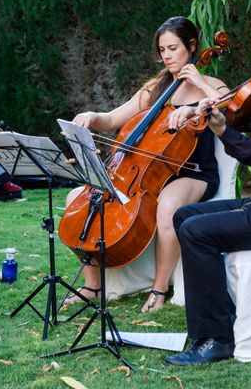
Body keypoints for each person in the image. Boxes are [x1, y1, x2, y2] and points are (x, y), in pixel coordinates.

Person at [165, 1, 251, 366]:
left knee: (198, 231)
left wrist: (223, 130)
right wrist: (222, 110)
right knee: (185, 217)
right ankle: (219, 317)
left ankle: (215, 340)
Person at [65, 16, 229, 312]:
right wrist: (92, 116)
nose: (166, 56)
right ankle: (92, 285)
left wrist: (199, 86)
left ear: (192, 46)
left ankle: (159, 288)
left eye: (173, 48)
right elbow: (114, 118)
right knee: (80, 197)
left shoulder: (212, 85)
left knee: (168, 204)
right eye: (162, 49)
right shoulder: (157, 87)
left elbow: (230, 105)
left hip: (193, 172)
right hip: (146, 172)